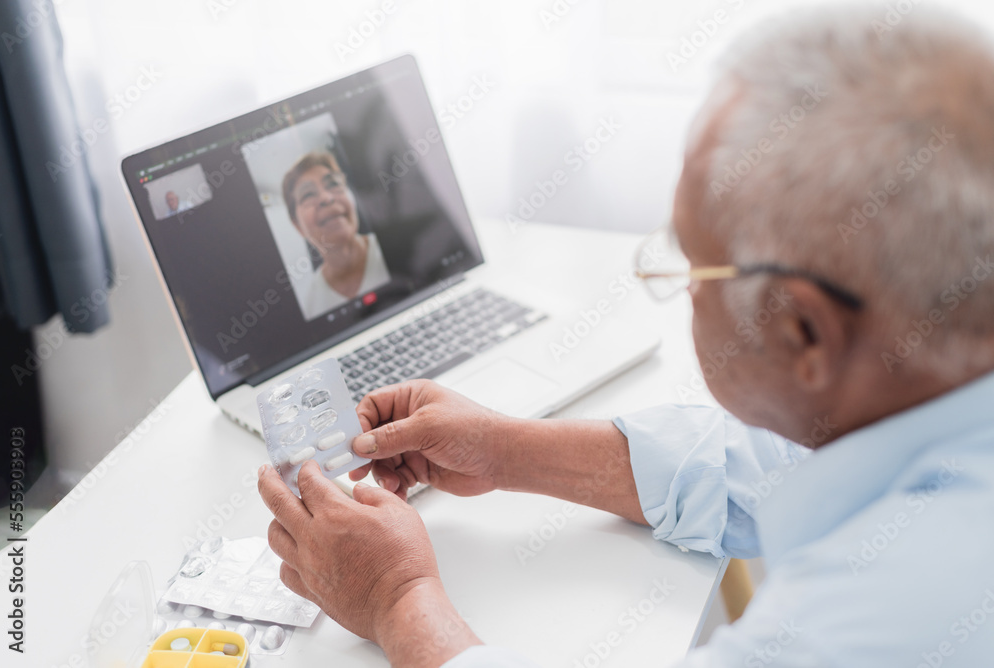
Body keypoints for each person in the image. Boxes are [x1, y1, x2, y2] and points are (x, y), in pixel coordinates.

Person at [257, 5, 994, 667]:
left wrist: (397, 599)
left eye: (690, 264)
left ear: (804, 333)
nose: (679, 288)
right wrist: (505, 447)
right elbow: (772, 467)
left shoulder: (890, 615)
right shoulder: (935, 392)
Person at [281, 150, 390, 318]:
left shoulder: (394, 252)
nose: (326, 197)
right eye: (308, 194)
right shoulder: (310, 305)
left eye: (333, 184)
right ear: (297, 226)